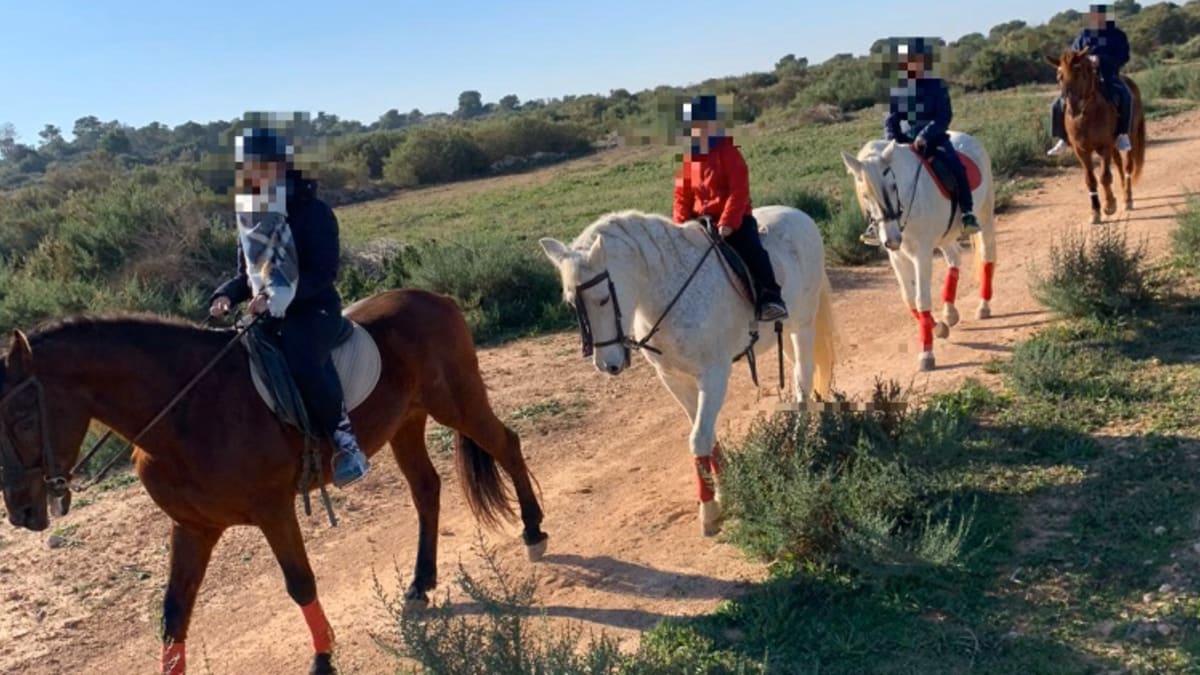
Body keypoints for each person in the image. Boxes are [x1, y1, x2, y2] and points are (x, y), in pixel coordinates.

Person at [209, 127, 370, 488]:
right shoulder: (252, 217)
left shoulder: (313, 213)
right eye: (245, 167)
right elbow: (245, 276)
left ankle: (346, 444)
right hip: (265, 312)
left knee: (302, 356)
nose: (251, 174)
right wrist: (224, 295)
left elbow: (324, 273)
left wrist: (280, 297)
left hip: (314, 311)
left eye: (258, 166)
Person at [672, 95, 788, 322]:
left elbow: (739, 192)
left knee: (752, 251)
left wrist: (727, 223)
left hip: (733, 222)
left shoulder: (729, 152)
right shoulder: (689, 158)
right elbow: (681, 195)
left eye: (700, 124)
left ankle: (770, 297)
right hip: (699, 224)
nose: (696, 130)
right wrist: (681, 224)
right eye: (692, 125)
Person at [862, 37, 979, 247]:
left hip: (933, 140)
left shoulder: (937, 86)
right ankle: (875, 224)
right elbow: (890, 120)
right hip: (904, 143)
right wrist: (893, 142)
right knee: (880, 180)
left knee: (956, 167)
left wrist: (925, 136)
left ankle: (967, 213)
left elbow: (944, 116)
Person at [1048, 4, 1133, 156]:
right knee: (1056, 104)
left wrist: (1101, 60)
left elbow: (1123, 56)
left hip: (1109, 74)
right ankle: (1063, 138)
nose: (1096, 21)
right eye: (1094, 18)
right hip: (1083, 79)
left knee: (1126, 96)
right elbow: (1073, 56)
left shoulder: (1118, 36)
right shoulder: (1083, 37)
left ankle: (1122, 135)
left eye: (1100, 17)